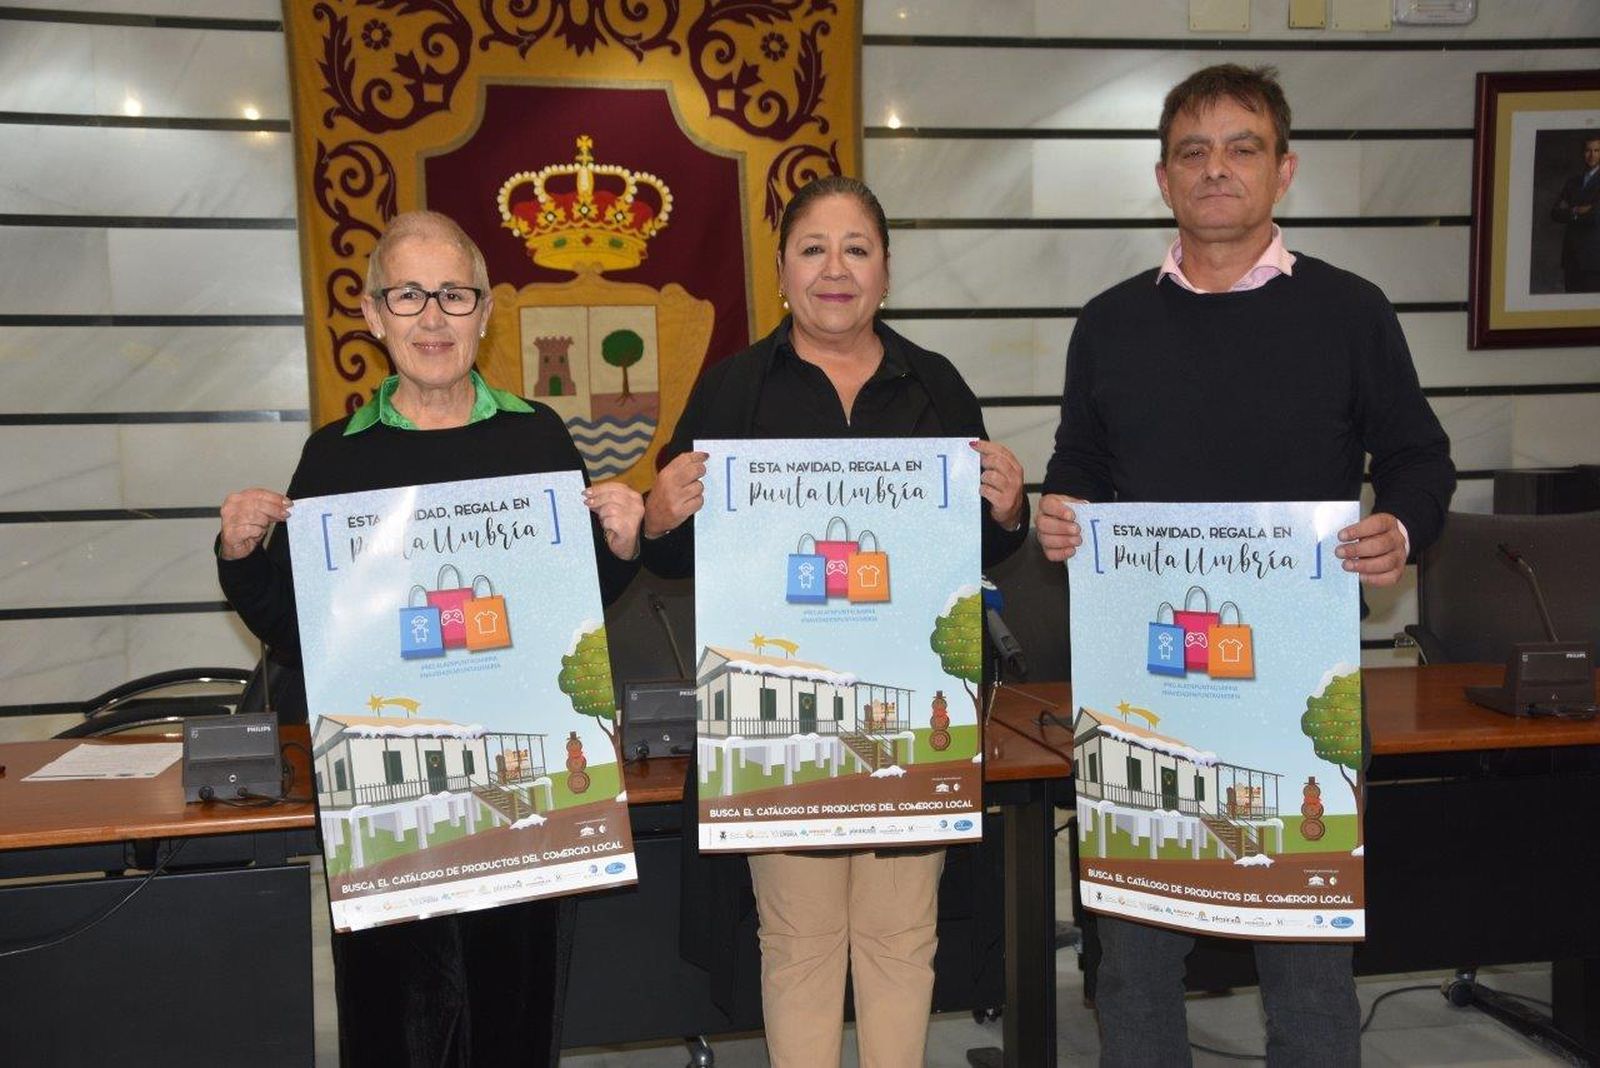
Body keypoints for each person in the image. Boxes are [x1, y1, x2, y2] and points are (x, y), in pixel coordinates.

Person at [1036, 65, 1454, 1067]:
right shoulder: (1108, 322)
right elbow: (1080, 464)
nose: (1215, 169)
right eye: (1193, 152)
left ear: (1283, 171)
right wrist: (1062, 512)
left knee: (1305, 965)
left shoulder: (1350, 311)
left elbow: (1418, 457)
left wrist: (1399, 527)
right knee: (1132, 965)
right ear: (1162, 178)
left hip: (1299, 693)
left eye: (1241, 149)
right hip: (1148, 693)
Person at [215, 210, 644, 1067]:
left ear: (486, 311)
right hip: (391, 800)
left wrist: (621, 546)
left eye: (454, 294)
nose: (433, 317)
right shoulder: (335, 459)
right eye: (409, 296)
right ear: (373, 315)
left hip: (521, 786)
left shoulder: (537, 438)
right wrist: (240, 557)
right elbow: (301, 633)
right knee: (395, 1028)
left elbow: (568, 616)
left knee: (515, 1019)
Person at [641, 175, 1029, 1067]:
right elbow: (673, 558)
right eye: (813, 249)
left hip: (911, 714)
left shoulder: (936, 387)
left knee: (902, 940)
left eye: (857, 249)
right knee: (799, 944)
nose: (835, 270)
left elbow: (975, 551)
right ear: (782, 270)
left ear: (886, 270)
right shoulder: (734, 391)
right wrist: (659, 516)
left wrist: (1009, 511)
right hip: (783, 722)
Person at [1550, 135, 1600, 292]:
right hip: (1571, 257)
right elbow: (1555, 213)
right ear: (1582, 153)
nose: (1592, 155)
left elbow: (1595, 216)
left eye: (1596, 150)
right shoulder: (1572, 182)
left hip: (1594, 259)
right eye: (1588, 150)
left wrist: (1570, 209)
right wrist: (1576, 210)